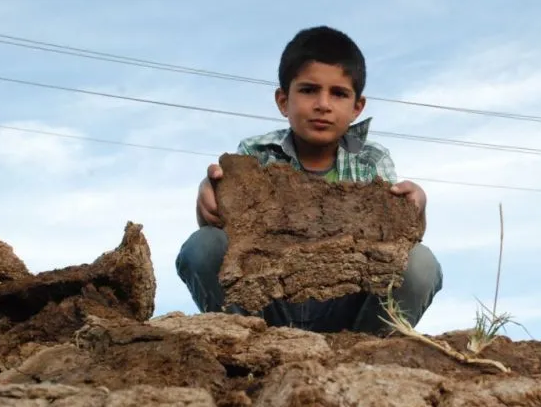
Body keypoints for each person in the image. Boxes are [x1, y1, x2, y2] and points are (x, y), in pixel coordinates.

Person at [175, 25, 443, 335]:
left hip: (346, 309)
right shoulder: (255, 154)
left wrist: (416, 210)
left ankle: (367, 354)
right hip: (268, 302)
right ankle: (243, 342)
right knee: (203, 246)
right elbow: (222, 233)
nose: (323, 105)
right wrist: (207, 197)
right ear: (282, 100)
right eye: (308, 90)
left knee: (420, 264)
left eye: (338, 93)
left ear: (357, 107)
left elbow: (399, 245)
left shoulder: (372, 161)